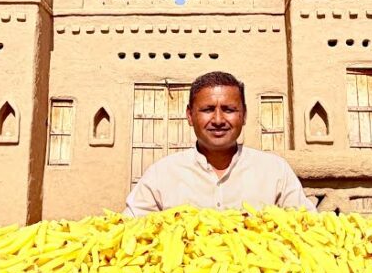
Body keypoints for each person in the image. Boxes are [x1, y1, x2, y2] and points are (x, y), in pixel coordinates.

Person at [124, 72, 317, 217]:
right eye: (207, 109)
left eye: (229, 109)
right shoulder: (162, 174)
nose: (218, 119)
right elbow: (128, 231)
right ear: (190, 116)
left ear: (244, 115)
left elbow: (307, 226)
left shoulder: (274, 171)